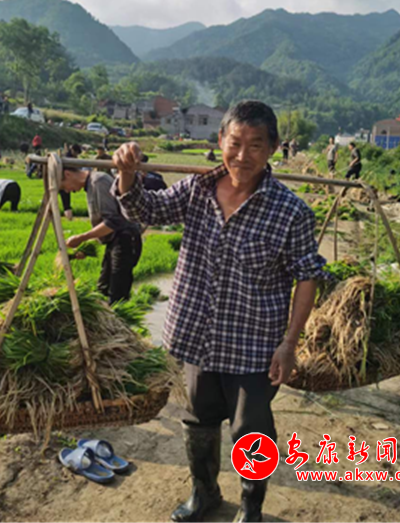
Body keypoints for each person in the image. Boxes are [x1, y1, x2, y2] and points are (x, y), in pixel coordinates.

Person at [112, 100, 327, 523]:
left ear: (273, 149)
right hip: (197, 337)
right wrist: (127, 174)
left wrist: (289, 344)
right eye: (235, 143)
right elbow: (145, 210)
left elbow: (307, 276)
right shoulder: (197, 190)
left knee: (252, 433)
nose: (243, 156)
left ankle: (251, 507)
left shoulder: (291, 212)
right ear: (220, 141)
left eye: (255, 145)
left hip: (254, 346)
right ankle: (204, 493)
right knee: (198, 420)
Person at [60, 166, 142, 304]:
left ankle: (117, 316)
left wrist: (82, 238)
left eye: (63, 187)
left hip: (125, 239)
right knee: (102, 289)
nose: (67, 191)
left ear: (67, 174)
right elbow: (106, 224)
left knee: (117, 294)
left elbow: (113, 221)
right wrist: (86, 247)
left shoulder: (98, 181)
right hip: (115, 240)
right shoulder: (91, 185)